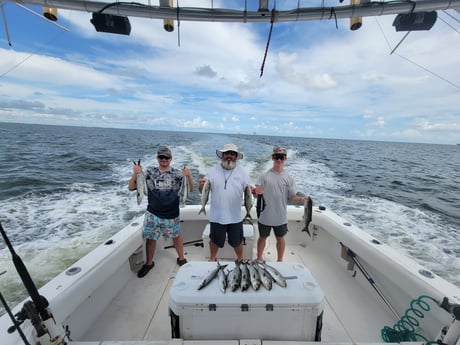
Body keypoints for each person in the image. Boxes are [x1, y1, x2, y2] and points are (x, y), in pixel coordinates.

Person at [128, 145, 194, 278]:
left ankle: (181, 258)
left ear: (171, 159)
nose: (164, 159)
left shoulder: (178, 174)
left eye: (166, 157)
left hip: (172, 213)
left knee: (176, 236)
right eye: (161, 157)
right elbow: (131, 187)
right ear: (157, 158)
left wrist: (189, 176)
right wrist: (136, 173)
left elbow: (190, 189)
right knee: (151, 239)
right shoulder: (149, 173)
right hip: (153, 214)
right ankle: (149, 263)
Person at [198, 143, 252, 263]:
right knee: (214, 240)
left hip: (235, 216)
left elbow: (249, 191)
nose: (229, 156)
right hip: (217, 216)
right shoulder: (212, 171)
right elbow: (202, 191)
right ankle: (212, 258)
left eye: (232, 154)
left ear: (236, 157)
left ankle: (240, 258)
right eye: (227, 153)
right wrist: (200, 186)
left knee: (237, 241)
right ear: (222, 155)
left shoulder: (243, 173)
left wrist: (255, 191)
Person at [253, 146, 307, 262]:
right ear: (272, 158)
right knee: (262, 237)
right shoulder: (264, 176)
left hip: (281, 216)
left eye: (281, 157)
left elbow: (292, 197)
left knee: (280, 238)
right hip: (265, 215)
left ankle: (280, 260)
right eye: (276, 157)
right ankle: (259, 258)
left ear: (285, 159)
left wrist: (300, 199)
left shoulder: (289, 178)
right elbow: (257, 193)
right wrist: (256, 192)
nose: (278, 160)